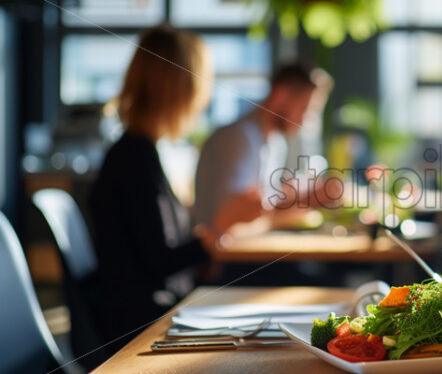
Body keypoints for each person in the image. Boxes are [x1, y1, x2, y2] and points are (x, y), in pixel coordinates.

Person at [89, 25, 262, 347]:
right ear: (181, 89)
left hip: (157, 314)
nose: (204, 96)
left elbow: (155, 252)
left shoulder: (139, 153)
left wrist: (207, 247)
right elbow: (159, 263)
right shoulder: (134, 161)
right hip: (143, 328)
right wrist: (222, 224)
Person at [194, 63, 333, 228]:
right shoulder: (239, 138)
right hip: (220, 251)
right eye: (305, 109)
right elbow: (232, 215)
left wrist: (306, 196)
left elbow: (261, 205)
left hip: (244, 245)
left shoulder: (276, 142)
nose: (306, 120)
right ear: (280, 94)